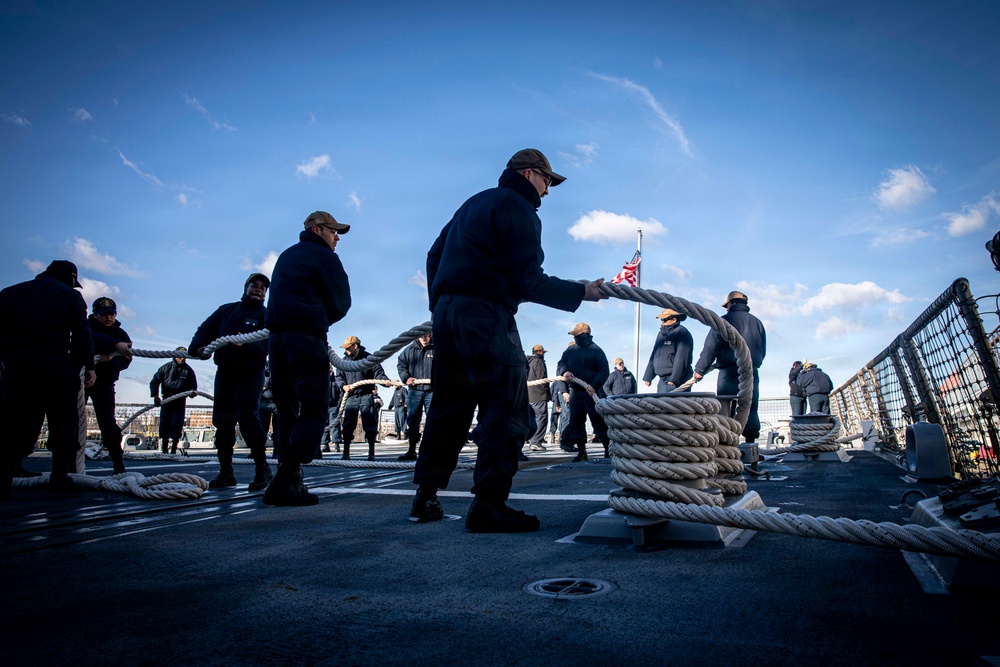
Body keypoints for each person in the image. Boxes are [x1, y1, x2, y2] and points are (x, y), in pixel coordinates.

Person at [410, 148, 607, 533]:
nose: (547, 191)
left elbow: (434, 254)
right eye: (547, 181)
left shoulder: (473, 204)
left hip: (447, 317)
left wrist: (442, 305)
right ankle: (489, 505)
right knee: (507, 409)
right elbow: (528, 280)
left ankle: (425, 497)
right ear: (530, 174)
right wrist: (582, 291)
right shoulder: (519, 208)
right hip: (487, 317)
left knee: (449, 407)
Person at [263, 210, 352, 506]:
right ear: (317, 230)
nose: (337, 237)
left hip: (276, 340)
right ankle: (288, 475)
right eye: (333, 231)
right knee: (315, 405)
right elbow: (341, 301)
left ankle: (286, 475)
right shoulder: (325, 257)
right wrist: (318, 318)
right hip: (306, 337)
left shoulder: (286, 256)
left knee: (286, 406)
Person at [0, 260, 96, 496]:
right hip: (55, 368)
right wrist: (83, 366)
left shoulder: (9, 293)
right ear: (71, 278)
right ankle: (59, 477)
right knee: (63, 423)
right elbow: (82, 336)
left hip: (17, 369)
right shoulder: (70, 296)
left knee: (14, 423)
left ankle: (4, 477)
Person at [190, 273, 272, 490]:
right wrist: (198, 349)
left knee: (248, 420)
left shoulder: (267, 316)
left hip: (250, 374)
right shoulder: (226, 311)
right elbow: (205, 330)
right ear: (246, 287)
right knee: (223, 422)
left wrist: (246, 344)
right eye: (254, 285)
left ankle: (262, 469)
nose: (258, 289)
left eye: (263, 287)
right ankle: (226, 472)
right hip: (225, 372)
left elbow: (268, 345)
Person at [694, 290, 767, 442]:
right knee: (750, 406)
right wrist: (755, 364)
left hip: (728, 372)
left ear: (731, 304)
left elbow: (711, 347)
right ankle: (750, 442)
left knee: (725, 408)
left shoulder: (723, 321)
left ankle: (727, 444)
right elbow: (762, 348)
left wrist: (700, 370)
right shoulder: (757, 322)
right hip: (750, 371)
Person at [86, 297, 133, 474]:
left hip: (104, 381)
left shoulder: (121, 334)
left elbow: (125, 360)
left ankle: (118, 463)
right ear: (95, 315)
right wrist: (112, 346)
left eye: (111, 314)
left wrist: (109, 361)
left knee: (108, 423)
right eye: (104, 314)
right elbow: (87, 339)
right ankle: (66, 465)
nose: (108, 317)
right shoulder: (85, 328)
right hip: (81, 380)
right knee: (71, 420)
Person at [557, 323, 611, 461]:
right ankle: (581, 451)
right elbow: (561, 363)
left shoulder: (596, 350)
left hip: (592, 392)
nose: (574, 337)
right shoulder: (570, 351)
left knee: (598, 421)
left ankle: (608, 449)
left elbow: (604, 371)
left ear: (584, 335)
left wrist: (594, 385)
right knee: (575, 421)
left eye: (576, 335)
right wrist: (565, 371)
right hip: (575, 391)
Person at [334, 336, 390, 461]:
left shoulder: (369, 359)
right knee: (348, 424)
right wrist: (343, 386)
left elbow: (378, 373)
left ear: (355, 346)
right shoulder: (344, 361)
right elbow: (339, 376)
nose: (346, 350)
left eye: (348, 347)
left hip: (366, 395)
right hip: (351, 396)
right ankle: (346, 453)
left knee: (370, 423)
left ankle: (371, 453)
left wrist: (385, 381)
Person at [150, 350, 197, 454]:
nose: (182, 359)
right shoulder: (165, 368)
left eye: (184, 357)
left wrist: (192, 393)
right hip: (167, 399)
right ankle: (164, 449)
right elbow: (154, 381)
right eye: (180, 356)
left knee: (177, 422)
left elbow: (193, 386)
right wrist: (155, 395)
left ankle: (174, 449)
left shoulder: (188, 371)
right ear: (175, 356)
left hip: (180, 400)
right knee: (164, 422)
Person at [396, 333, 433, 461]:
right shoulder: (409, 350)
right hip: (414, 390)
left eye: (427, 335)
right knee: (412, 420)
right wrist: (406, 378)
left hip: (432, 390)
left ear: (431, 334)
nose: (424, 338)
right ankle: (411, 450)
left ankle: (430, 451)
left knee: (433, 420)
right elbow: (401, 365)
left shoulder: (437, 348)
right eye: (421, 335)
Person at [642, 308, 694, 393]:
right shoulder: (660, 334)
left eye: (664, 319)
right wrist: (648, 377)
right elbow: (654, 355)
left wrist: (674, 379)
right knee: (661, 401)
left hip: (678, 380)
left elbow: (682, 358)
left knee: (677, 402)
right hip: (662, 380)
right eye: (661, 319)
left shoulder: (682, 332)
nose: (662, 322)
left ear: (674, 320)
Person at [525, 344, 549, 452]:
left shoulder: (528, 362)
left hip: (529, 395)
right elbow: (542, 378)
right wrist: (546, 393)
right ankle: (536, 442)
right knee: (541, 418)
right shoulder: (539, 362)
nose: (543, 354)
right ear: (539, 352)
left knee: (532, 419)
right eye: (543, 352)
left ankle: (532, 440)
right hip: (539, 395)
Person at [258, 359, 277, 450]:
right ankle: (259, 448)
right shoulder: (264, 365)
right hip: (264, 400)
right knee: (262, 426)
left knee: (278, 428)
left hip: (276, 400)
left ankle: (277, 449)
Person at [549, 376, 571, 450]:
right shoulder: (558, 382)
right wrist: (557, 404)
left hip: (558, 401)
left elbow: (552, 392)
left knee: (560, 418)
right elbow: (554, 392)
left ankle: (558, 435)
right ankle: (555, 435)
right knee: (560, 418)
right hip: (558, 401)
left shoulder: (556, 382)